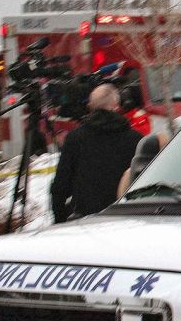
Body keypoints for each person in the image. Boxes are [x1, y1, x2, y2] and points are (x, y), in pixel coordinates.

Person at [50, 83, 141, 223]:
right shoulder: (135, 139)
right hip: (125, 219)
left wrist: (60, 221)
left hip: (85, 220)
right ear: (117, 105)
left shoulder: (76, 138)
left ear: (91, 106)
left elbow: (60, 186)